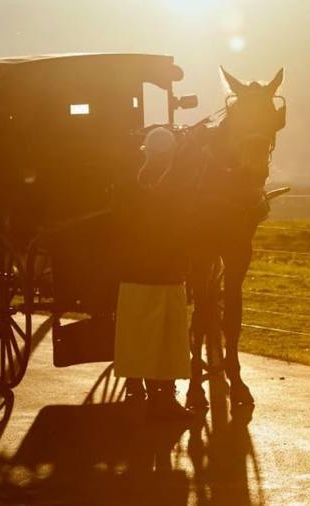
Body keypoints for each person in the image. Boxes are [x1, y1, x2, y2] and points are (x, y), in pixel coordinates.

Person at [113, 126, 199, 421]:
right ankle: (153, 392)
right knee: (161, 335)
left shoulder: (136, 183)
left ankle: (147, 390)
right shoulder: (162, 185)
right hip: (155, 269)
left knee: (153, 334)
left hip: (150, 270)